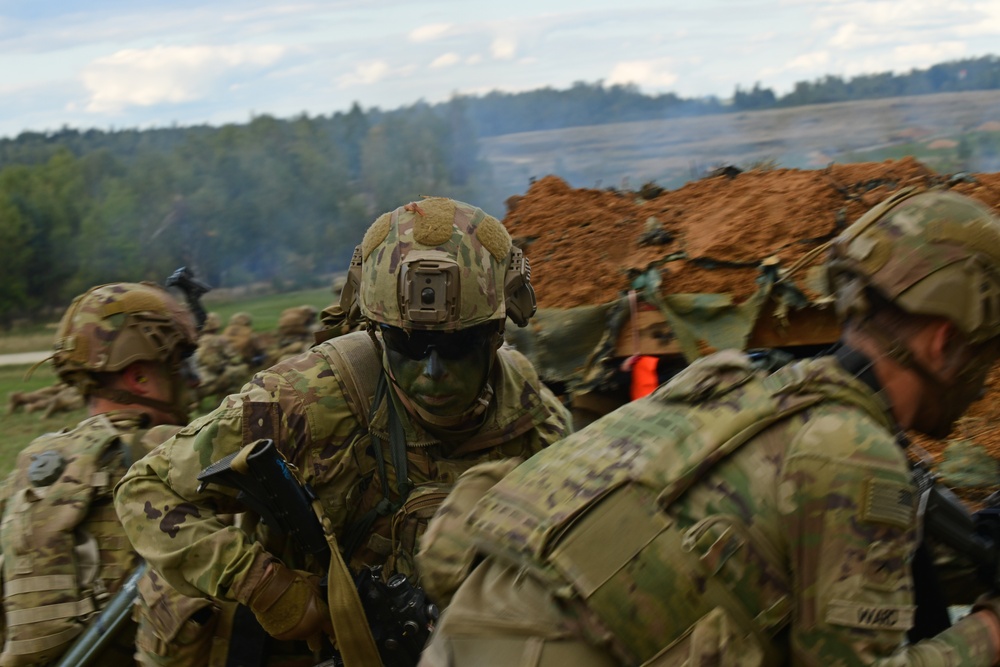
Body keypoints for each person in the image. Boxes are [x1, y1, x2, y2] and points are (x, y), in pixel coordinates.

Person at [416, 187, 1000, 666]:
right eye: (987, 352)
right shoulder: (851, 449)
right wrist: (988, 635)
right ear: (945, 342)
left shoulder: (734, 384)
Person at [114, 197, 572, 664]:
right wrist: (263, 585)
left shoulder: (535, 422)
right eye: (407, 343)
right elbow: (145, 490)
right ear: (374, 330)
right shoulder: (304, 401)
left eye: (459, 345)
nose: (432, 372)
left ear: (497, 333)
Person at [0, 282, 220, 667]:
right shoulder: (175, 458)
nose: (195, 380)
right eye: (183, 365)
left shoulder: (33, 465)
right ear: (139, 378)